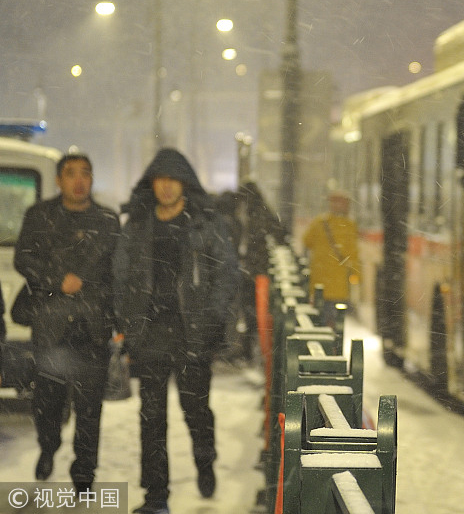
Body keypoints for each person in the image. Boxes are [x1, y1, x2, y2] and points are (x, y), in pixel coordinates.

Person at [113, 148, 239, 514]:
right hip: (150, 334)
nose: (166, 186)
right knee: (151, 418)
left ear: (184, 183)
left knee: (195, 411)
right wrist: (128, 322)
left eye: (173, 179)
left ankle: (204, 459)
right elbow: (120, 277)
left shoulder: (205, 223)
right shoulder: (137, 225)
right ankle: (156, 496)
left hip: (192, 333)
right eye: (160, 179)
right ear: (151, 183)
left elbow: (226, 273)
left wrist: (212, 317)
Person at [12, 153, 120, 495]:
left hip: (92, 326)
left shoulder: (107, 220)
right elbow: (23, 259)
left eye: (85, 173)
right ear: (59, 180)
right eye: (71, 174)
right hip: (51, 325)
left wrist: (116, 315)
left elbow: (118, 271)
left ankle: (84, 473)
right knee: (48, 401)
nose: (79, 180)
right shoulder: (40, 216)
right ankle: (48, 445)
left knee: (90, 409)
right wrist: (57, 279)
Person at [216, 181, 288, 363]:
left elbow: (273, 236)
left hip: (254, 271)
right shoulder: (261, 213)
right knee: (251, 310)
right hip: (254, 270)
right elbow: (280, 235)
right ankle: (249, 347)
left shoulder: (253, 214)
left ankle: (248, 348)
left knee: (250, 310)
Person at [302, 190, 359, 340]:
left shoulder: (319, 223)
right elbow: (353, 255)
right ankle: (334, 346)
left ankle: (322, 344)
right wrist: (356, 276)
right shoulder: (349, 226)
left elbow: (306, 241)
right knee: (336, 323)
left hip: (319, 285)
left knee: (320, 321)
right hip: (339, 287)